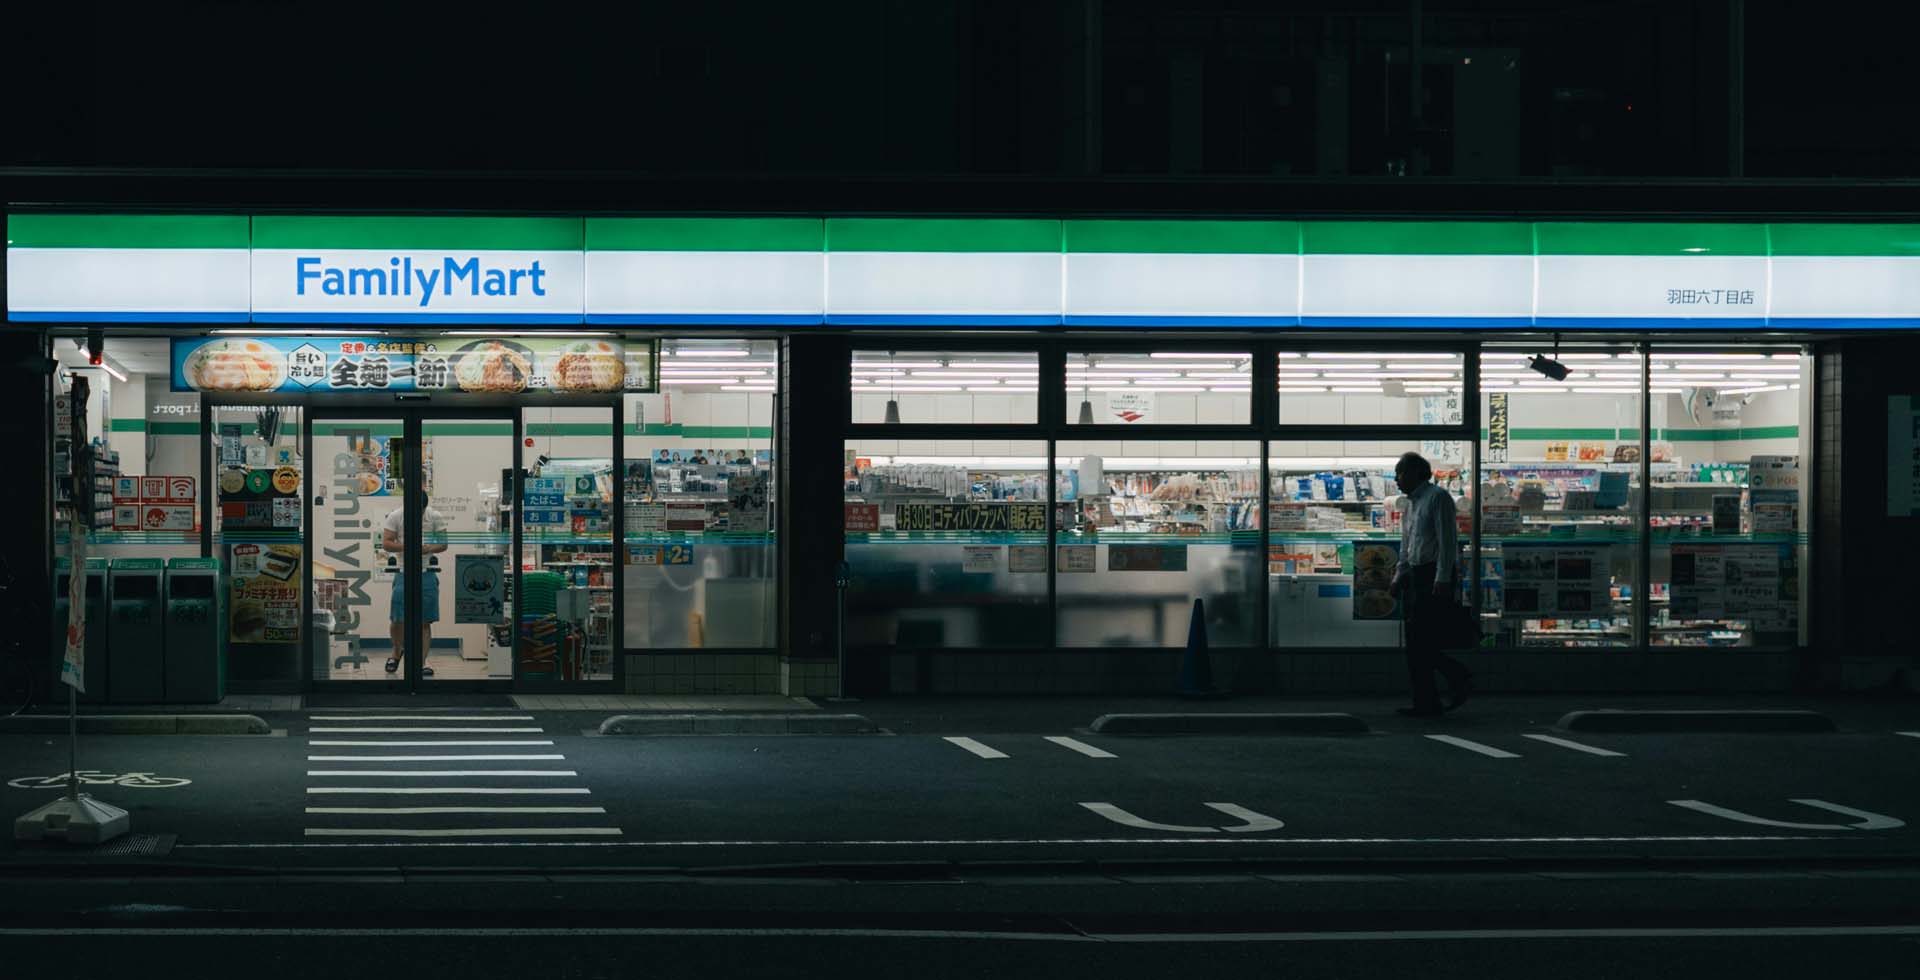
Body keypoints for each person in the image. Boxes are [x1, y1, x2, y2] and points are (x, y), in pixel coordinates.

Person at [1390, 451, 1473, 717]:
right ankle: (1429, 700)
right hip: (1415, 575)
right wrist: (1399, 574)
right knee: (1416, 642)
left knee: (1421, 641)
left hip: (1432, 576)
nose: (1396, 479)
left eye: (1400, 473)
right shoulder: (1410, 504)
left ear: (1415, 473)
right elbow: (1406, 544)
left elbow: (1448, 541)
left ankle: (1454, 678)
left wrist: (1443, 578)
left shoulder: (1438, 498)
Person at [382, 489, 450, 677]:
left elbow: (444, 544)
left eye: (420, 512)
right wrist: (408, 547)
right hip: (403, 572)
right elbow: (386, 543)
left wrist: (429, 548)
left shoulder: (434, 516)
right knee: (397, 619)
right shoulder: (396, 515)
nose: (417, 515)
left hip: (426, 572)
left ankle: (421, 662)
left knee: (424, 621)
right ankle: (396, 653)